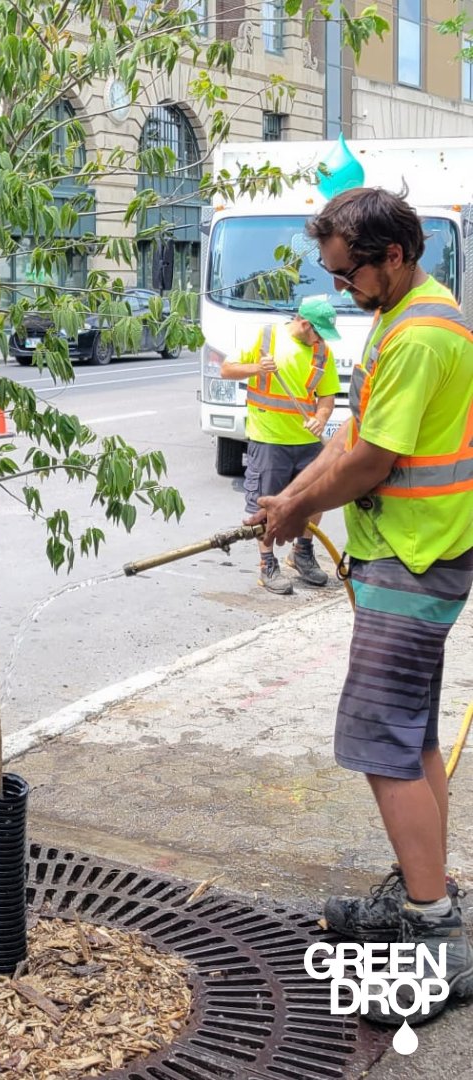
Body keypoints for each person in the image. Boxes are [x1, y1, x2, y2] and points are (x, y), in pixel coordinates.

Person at [250, 187, 473, 1022]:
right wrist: (289, 501)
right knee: (410, 737)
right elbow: (347, 437)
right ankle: (425, 891)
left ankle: (434, 937)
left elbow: (374, 457)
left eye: (352, 276)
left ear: (394, 256)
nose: (343, 291)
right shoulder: (407, 315)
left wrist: (301, 508)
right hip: (410, 555)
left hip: (416, 560)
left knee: (379, 742)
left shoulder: (419, 334)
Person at [219, 297, 341, 594]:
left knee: (315, 499)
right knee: (268, 504)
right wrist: (256, 367)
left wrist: (321, 418)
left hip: (307, 441)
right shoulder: (266, 338)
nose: (321, 339)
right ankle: (266, 563)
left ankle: (301, 553)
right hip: (269, 439)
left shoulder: (323, 352)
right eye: (319, 332)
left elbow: (326, 396)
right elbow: (226, 370)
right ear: (304, 324)